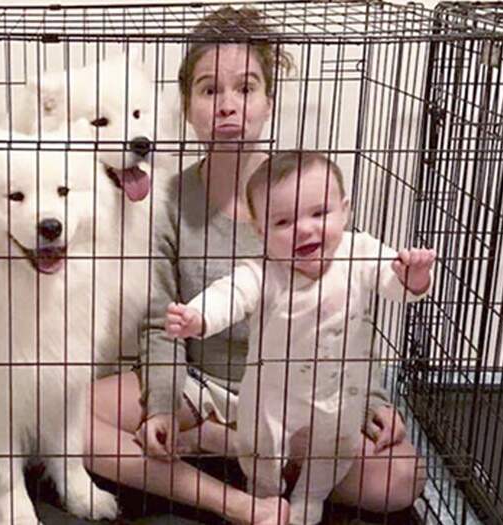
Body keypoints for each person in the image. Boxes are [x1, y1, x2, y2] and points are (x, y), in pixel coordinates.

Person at [83, 7, 426, 524]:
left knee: (401, 478)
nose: (228, 105)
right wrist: (162, 405)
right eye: (209, 90)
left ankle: (236, 449)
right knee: (72, 421)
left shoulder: (304, 188)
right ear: (188, 105)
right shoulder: (167, 199)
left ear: (268, 100)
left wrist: (371, 398)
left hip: (300, 394)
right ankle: (240, 501)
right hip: (200, 386)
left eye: (246, 88)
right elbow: (160, 321)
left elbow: (353, 301)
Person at [165, 151, 435, 524]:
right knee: (261, 446)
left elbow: (394, 282)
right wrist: (198, 317)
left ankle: (310, 499)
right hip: (273, 393)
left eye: (319, 213)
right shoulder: (265, 271)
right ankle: (263, 494)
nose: (304, 229)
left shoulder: (359, 252)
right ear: (260, 232)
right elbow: (231, 293)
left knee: (334, 449)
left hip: (339, 392)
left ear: (345, 211)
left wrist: (414, 276)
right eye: (283, 221)